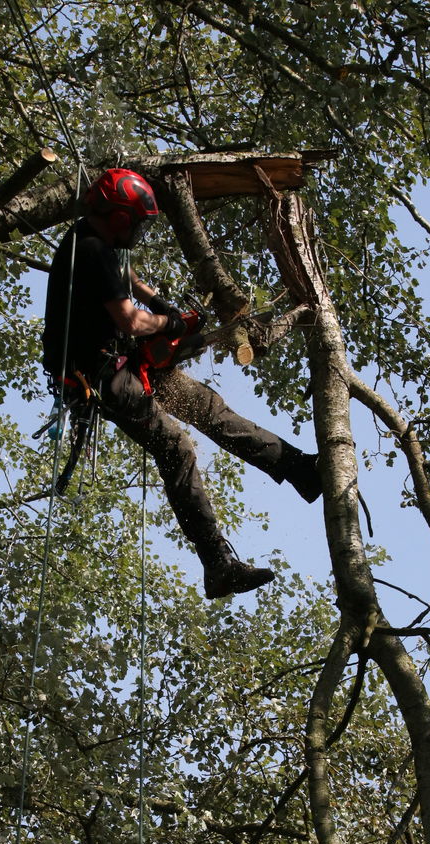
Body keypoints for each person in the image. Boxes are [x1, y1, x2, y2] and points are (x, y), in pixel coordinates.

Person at [42, 168, 322, 599]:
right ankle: (218, 564)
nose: (138, 230)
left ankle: (299, 468)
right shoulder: (91, 248)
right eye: (136, 222)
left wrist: (163, 306)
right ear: (119, 217)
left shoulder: (102, 244)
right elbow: (130, 320)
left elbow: (130, 281)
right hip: (101, 376)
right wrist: (167, 321)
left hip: (123, 363)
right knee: (176, 447)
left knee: (208, 408)